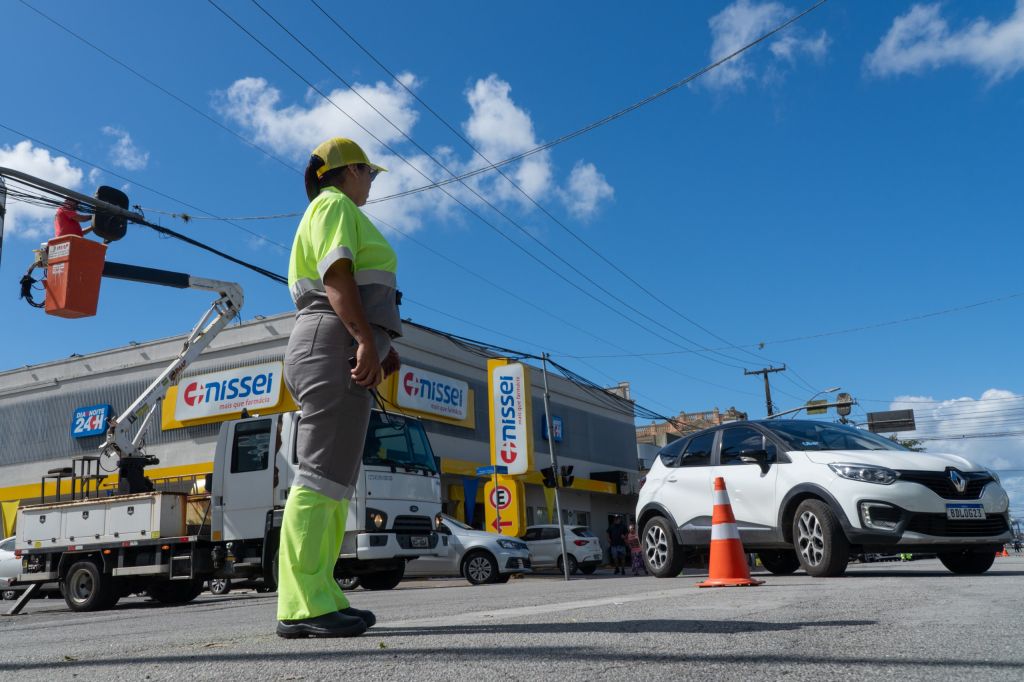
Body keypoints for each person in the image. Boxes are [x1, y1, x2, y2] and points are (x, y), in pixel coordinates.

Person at [276, 137, 401, 639]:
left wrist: (380, 343)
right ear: (347, 172)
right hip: (331, 339)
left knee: (333, 482)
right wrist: (365, 339)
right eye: (368, 171)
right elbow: (337, 275)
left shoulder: (336, 208)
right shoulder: (332, 205)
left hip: (334, 340)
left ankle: (321, 594)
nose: (372, 180)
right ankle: (300, 604)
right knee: (320, 477)